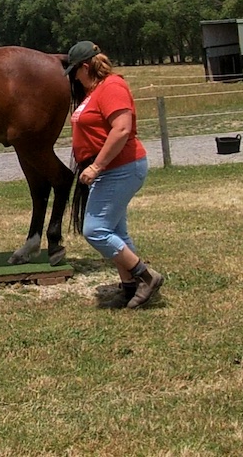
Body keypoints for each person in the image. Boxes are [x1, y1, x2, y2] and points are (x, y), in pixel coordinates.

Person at [64, 41, 163, 309]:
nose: (73, 77)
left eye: (75, 71)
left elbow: (121, 129)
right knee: (116, 230)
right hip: (111, 170)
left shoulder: (111, 87)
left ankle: (146, 276)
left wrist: (96, 166)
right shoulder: (95, 91)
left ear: (86, 67)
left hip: (120, 168)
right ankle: (130, 287)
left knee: (95, 230)